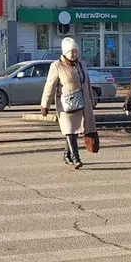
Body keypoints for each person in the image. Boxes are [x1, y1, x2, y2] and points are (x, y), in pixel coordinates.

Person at [41, 37, 97, 169]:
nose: (74, 54)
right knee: (70, 130)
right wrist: (45, 105)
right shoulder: (56, 66)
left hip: (82, 101)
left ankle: (67, 154)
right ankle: (76, 158)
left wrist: (91, 99)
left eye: (76, 51)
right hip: (66, 104)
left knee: (76, 130)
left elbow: (87, 82)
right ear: (65, 53)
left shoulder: (81, 64)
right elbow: (49, 86)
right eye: (71, 52)